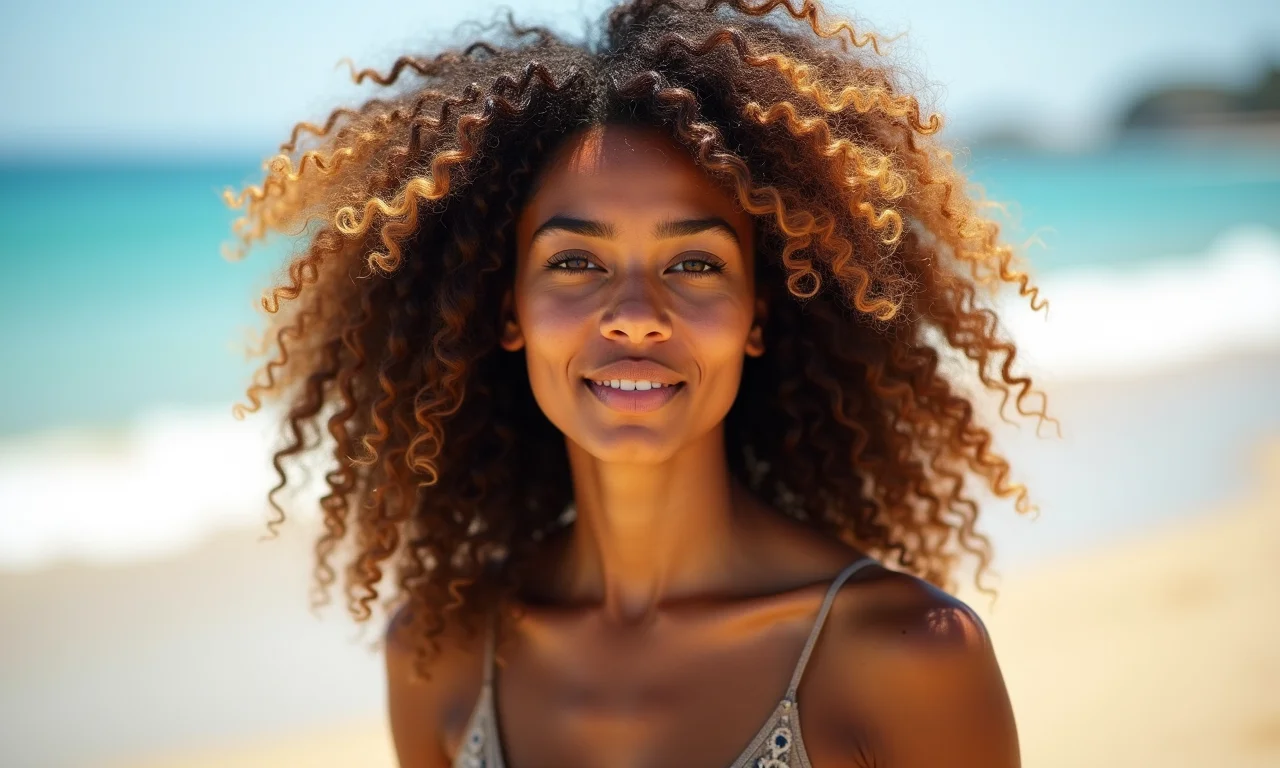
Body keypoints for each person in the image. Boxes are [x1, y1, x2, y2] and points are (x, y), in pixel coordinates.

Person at [223, 1, 1054, 765]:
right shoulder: (436, 657)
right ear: (505, 308)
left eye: (694, 262)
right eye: (575, 261)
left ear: (757, 315)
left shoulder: (910, 657)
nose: (633, 315)